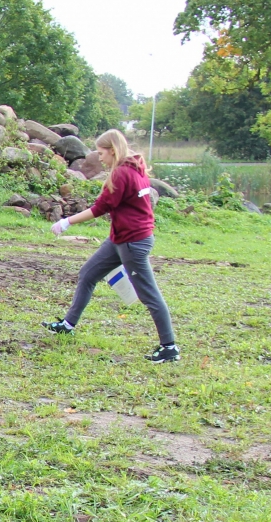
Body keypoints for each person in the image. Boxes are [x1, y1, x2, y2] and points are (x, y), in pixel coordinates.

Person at [43, 130, 178, 362]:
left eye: (101, 152)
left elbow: (99, 208)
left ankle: (169, 347)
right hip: (120, 238)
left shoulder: (123, 174)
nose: (99, 157)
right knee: (88, 274)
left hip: (133, 242)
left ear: (113, 150)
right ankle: (68, 324)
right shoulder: (134, 167)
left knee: (149, 294)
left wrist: (67, 221)